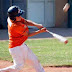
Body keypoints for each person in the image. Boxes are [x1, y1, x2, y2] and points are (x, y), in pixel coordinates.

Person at [0, 6, 47, 72]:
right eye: (18, 15)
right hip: (16, 48)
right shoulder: (15, 26)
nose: (20, 17)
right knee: (18, 67)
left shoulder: (13, 18)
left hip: (22, 45)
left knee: (35, 61)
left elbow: (25, 21)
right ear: (14, 18)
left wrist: (37, 25)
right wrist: (40, 31)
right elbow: (28, 34)